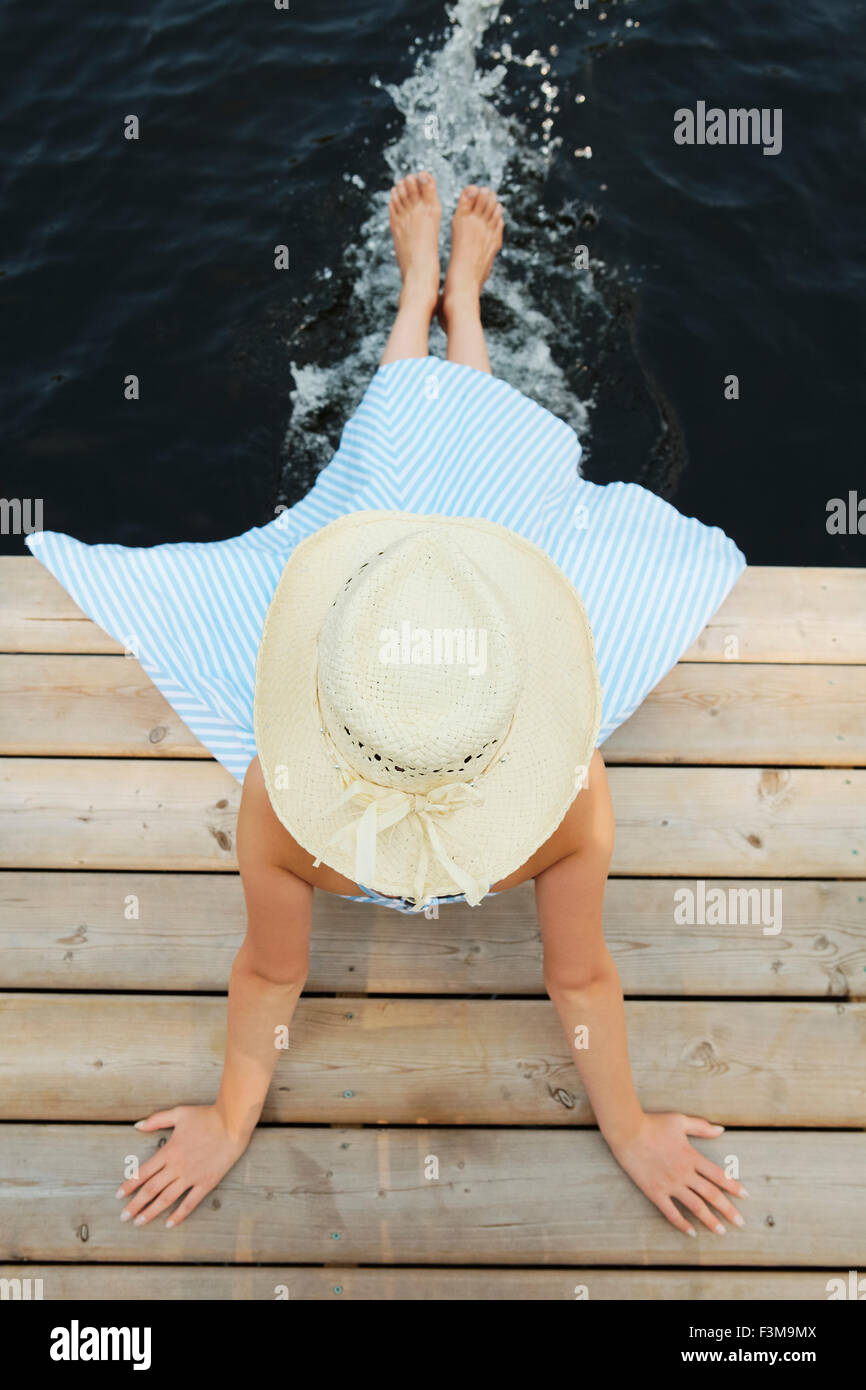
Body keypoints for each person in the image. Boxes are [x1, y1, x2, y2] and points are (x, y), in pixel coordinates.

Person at [26, 173, 748, 1240]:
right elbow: (279, 971)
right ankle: (424, 294)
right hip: (407, 614)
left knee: (460, 460)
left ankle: (448, 294)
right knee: (408, 453)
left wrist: (633, 1121)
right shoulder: (549, 792)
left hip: (441, 615)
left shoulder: (523, 793)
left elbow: (569, 977)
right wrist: (226, 1117)